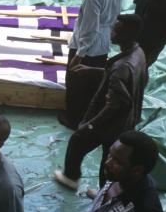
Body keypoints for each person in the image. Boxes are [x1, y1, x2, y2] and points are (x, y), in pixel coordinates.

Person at [54, 14, 148, 193]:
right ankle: (106, 193)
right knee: (110, 156)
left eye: (116, 31)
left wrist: (91, 124)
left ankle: (71, 177)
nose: (111, 33)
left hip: (111, 123)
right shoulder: (138, 54)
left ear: (127, 35)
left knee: (77, 140)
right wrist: (92, 71)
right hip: (127, 121)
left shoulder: (122, 67)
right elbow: (120, 77)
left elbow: (116, 103)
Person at [59, 0, 125, 130]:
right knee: (93, 84)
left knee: (76, 85)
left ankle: (73, 119)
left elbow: (89, 28)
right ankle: (89, 115)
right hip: (103, 42)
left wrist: (79, 54)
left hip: (89, 45)